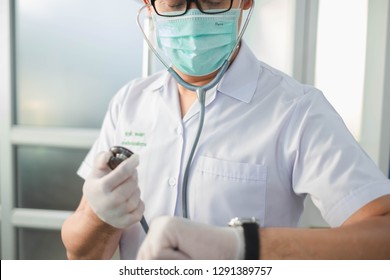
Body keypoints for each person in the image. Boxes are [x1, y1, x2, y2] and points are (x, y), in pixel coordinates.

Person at [61, 0, 390, 260]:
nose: (193, 18)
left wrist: (243, 248)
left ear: (245, 2)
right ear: (149, 7)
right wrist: (101, 218)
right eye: (175, 4)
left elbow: (382, 237)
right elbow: (82, 257)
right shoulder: (128, 102)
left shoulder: (297, 110)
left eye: (213, 1)